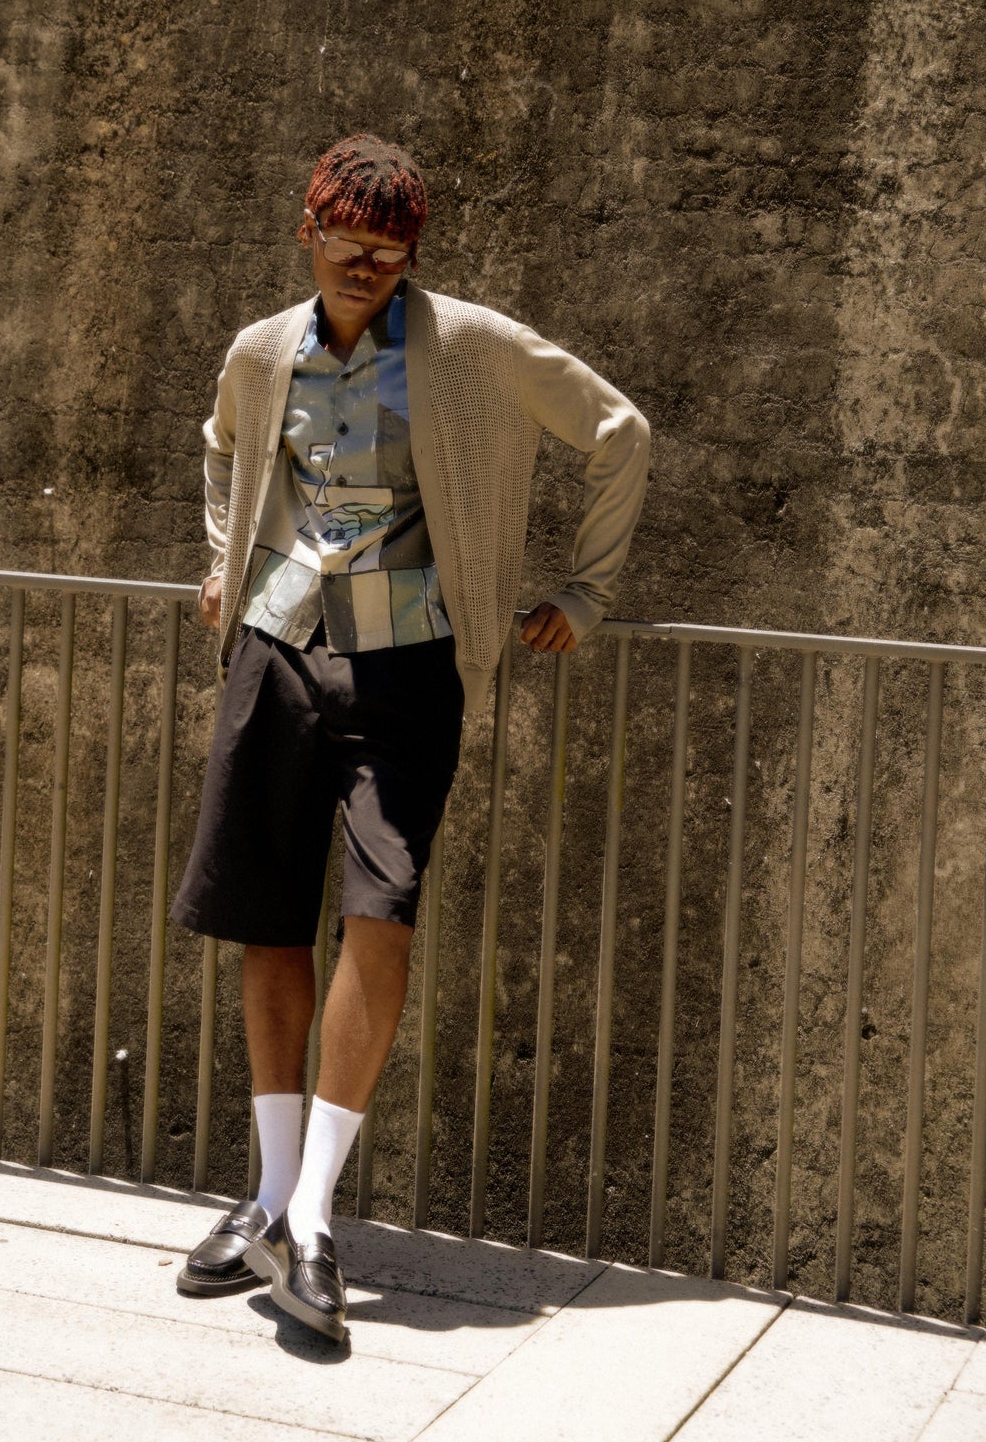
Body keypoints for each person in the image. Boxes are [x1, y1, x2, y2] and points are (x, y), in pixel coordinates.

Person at [170, 133, 649, 1342]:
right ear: (306, 231)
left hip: (409, 667)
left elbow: (618, 433)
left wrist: (581, 596)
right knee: (267, 916)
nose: (368, 268)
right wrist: (221, 563)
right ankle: (269, 1198)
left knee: (379, 911)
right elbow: (223, 446)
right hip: (274, 652)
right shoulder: (261, 349)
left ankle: (317, 1221)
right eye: (348, 247)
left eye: (391, 254)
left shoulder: (470, 346)